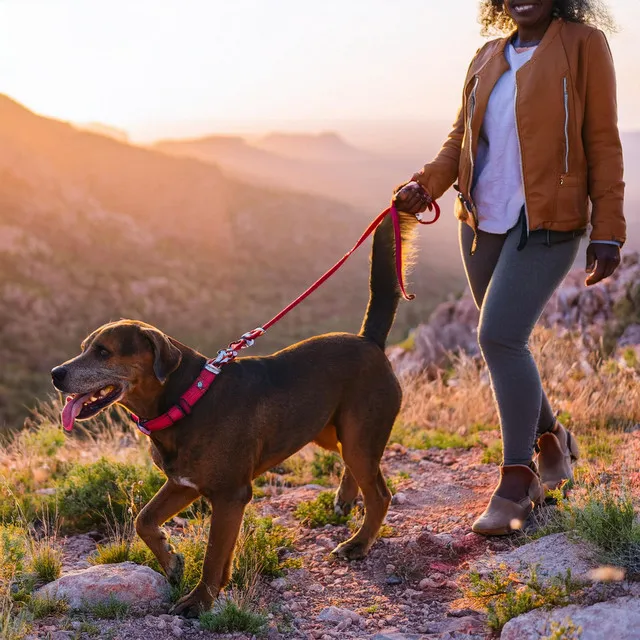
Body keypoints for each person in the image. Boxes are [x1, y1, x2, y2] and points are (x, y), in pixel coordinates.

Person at [394, 0, 625, 535]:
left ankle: (518, 482)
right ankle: (554, 441)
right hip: (481, 223)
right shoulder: (486, 56)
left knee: (498, 336)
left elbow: (603, 141)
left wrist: (608, 228)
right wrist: (425, 184)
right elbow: (461, 141)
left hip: (551, 221)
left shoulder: (583, 45)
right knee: (505, 341)